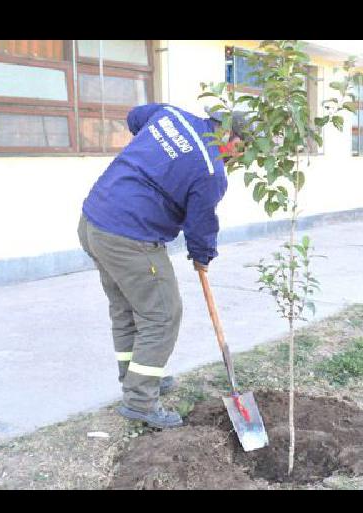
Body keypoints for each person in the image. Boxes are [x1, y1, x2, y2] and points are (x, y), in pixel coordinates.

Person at [77, 103, 247, 429]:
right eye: (241, 147)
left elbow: (134, 117)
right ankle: (140, 401)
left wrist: (162, 158)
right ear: (228, 135)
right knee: (163, 314)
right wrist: (202, 255)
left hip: (93, 221)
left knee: (127, 308)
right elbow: (200, 225)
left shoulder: (171, 115)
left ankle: (136, 377)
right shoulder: (211, 172)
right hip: (129, 236)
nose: (238, 156)